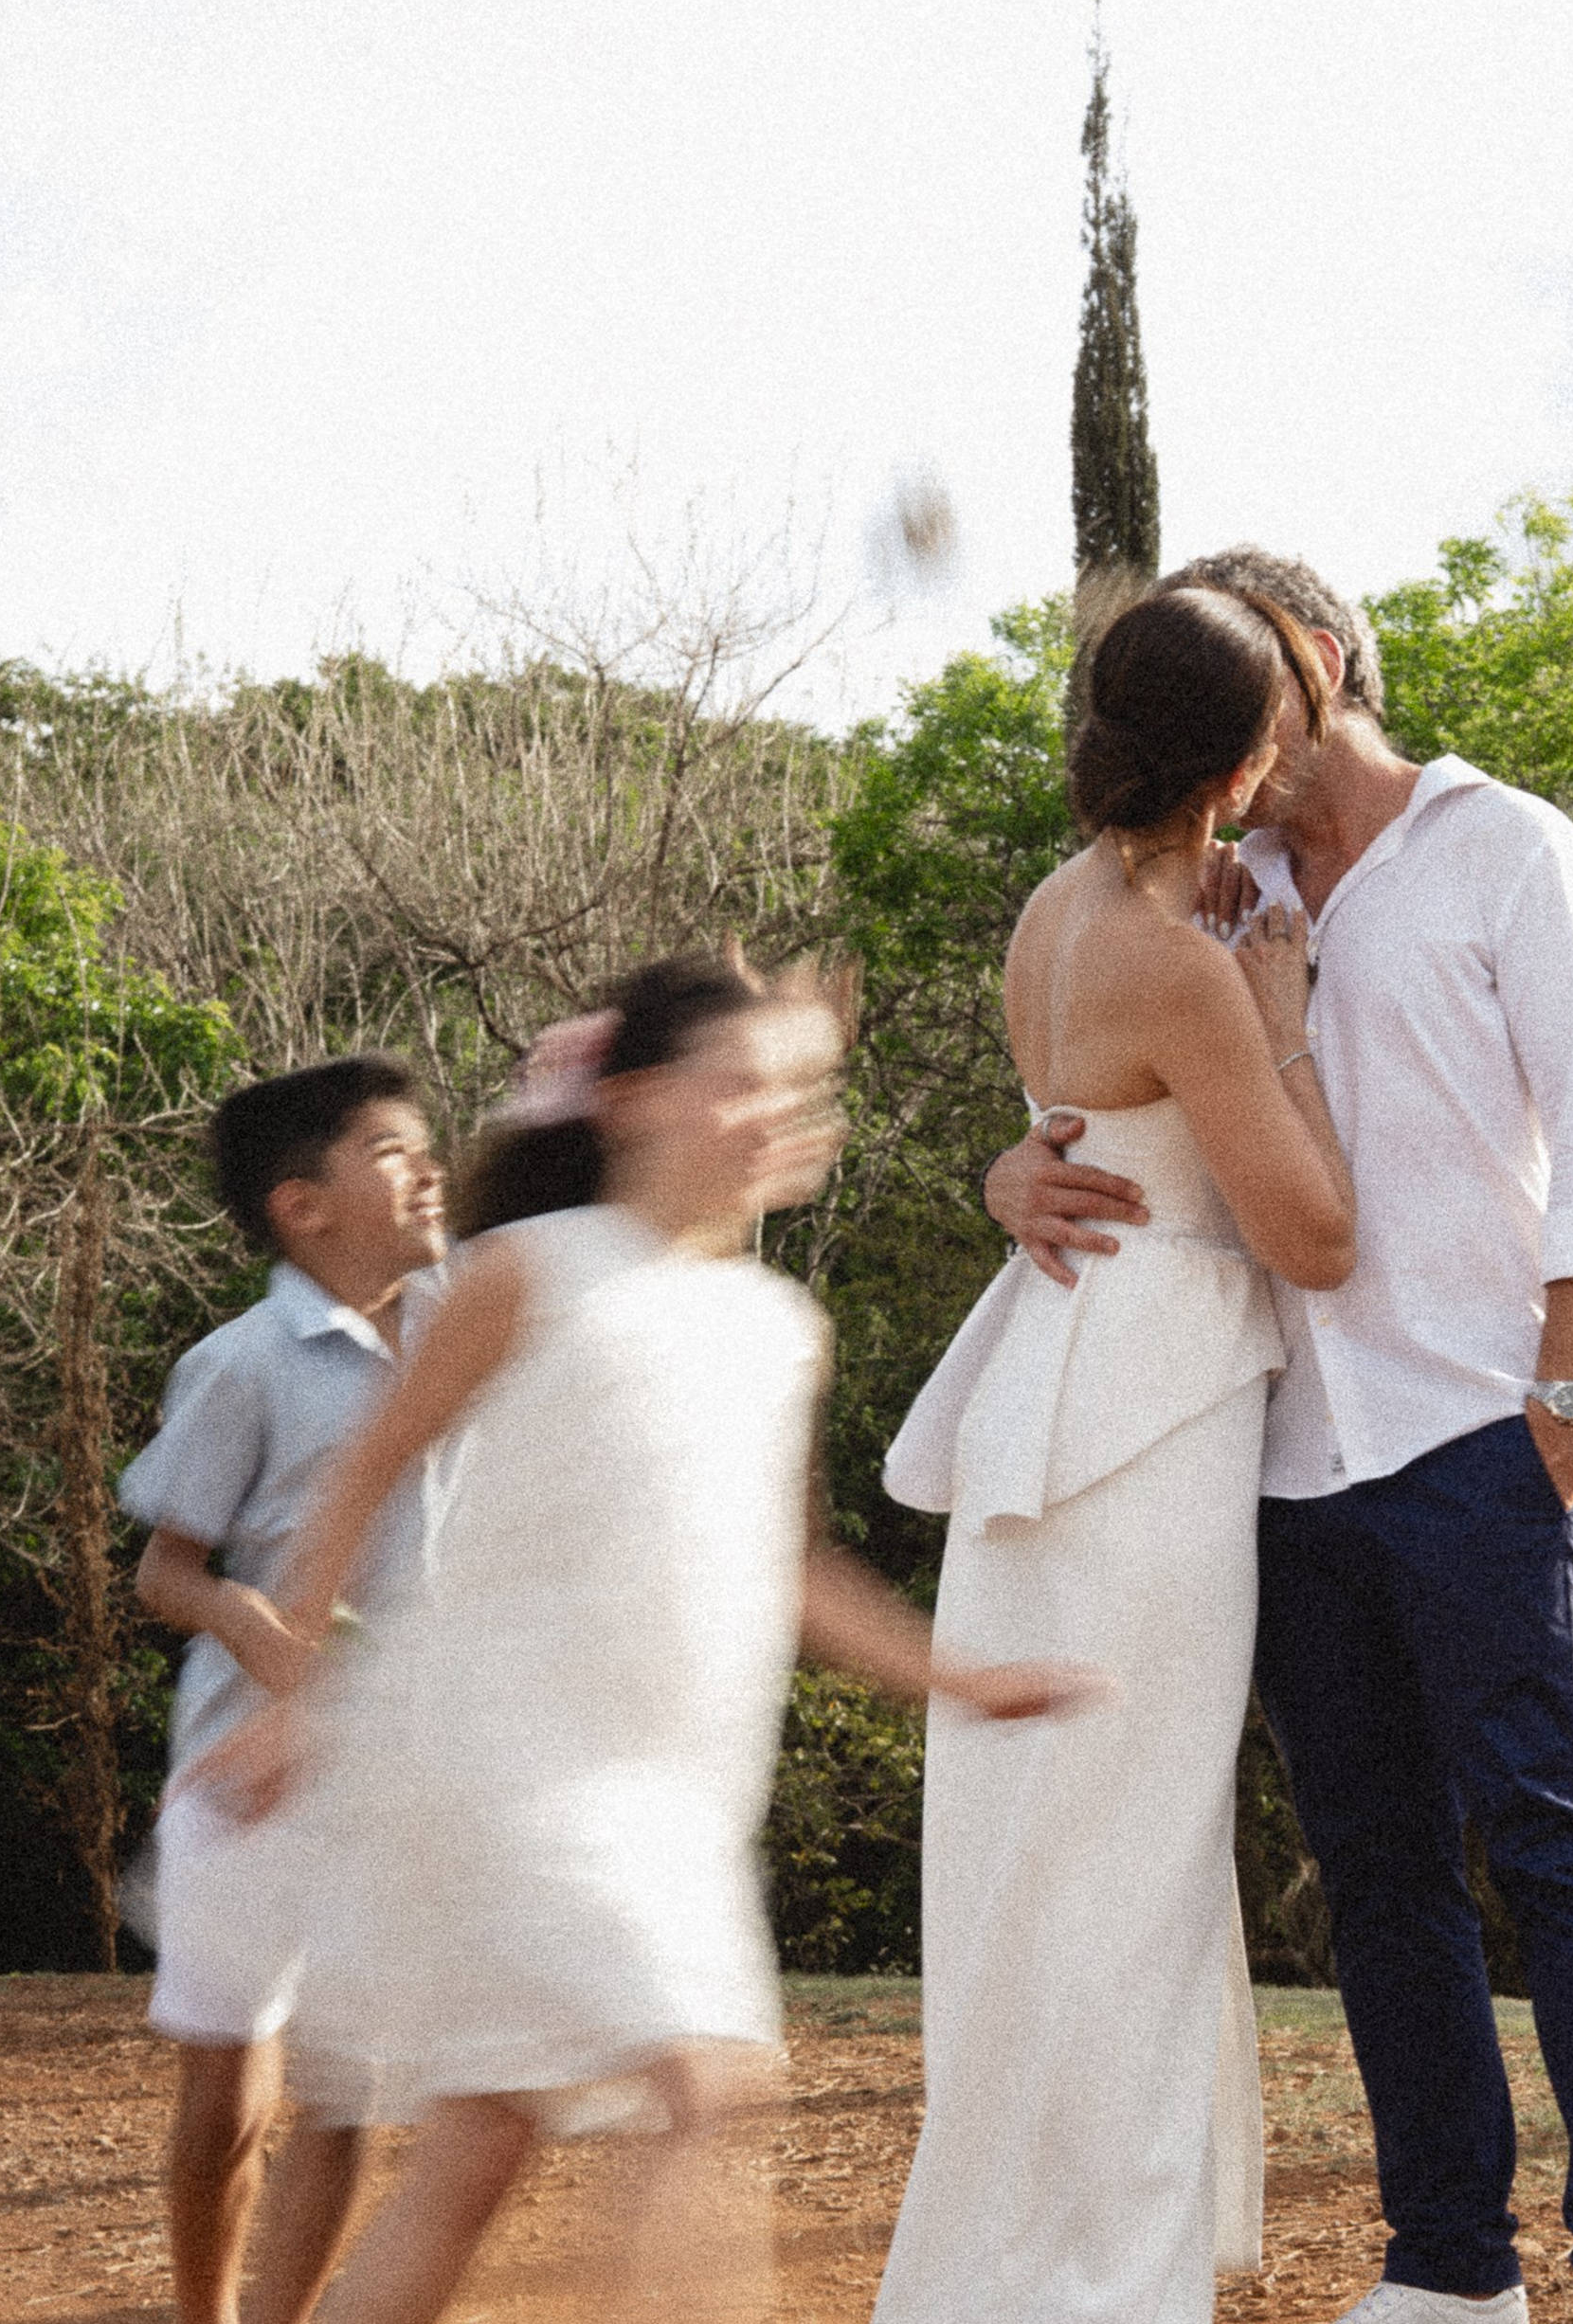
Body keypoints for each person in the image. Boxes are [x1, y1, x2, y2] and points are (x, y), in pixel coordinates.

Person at [988, 547, 1573, 2324]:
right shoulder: (1208, 893)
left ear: (1314, 663)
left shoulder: (1515, 853)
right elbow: (1127, 1113)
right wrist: (1011, 1169)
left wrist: (1567, 1394)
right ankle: (1450, 2271)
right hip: (1288, 1462)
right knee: (1379, 1877)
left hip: (1486, 1433)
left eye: (1239, 693)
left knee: (1552, 1844)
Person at [193, 954, 1077, 2324]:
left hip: (665, 1797)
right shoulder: (525, 1271)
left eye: (799, 1091)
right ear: (635, 1100)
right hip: (498, 1762)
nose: (778, 1114)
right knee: (704, 2085)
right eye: (743, 1084)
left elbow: (797, 1571)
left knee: (484, 2141)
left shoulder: (781, 1328)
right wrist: (299, 1691)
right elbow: (368, 1468)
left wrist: (959, 1677)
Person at [870, 585, 1358, 2324]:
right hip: (1143, 1442)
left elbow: (1066, 1143)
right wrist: (1281, 996)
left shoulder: (1055, 913)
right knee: (1135, 1882)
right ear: (1242, 761)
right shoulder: (1182, 960)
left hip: (1050, 1419)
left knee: (1035, 1883)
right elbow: (1311, 1235)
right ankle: (1103, 2288)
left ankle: (1017, 2272)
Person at [125, 1055, 448, 2324]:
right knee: (230, 2104)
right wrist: (246, 1619)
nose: (426, 1168)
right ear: (299, 1205)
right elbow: (165, 1567)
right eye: (388, 1149)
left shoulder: (462, 1324)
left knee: (352, 2084)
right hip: (246, 1777)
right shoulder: (243, 1363)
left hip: (399, 1774)